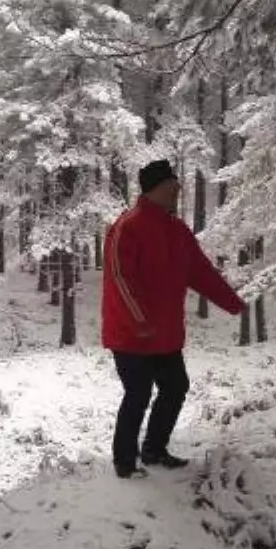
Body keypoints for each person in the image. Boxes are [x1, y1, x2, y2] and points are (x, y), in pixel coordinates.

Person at [101, 158, 246, 478]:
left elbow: (201, 272)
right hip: (131, 334)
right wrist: (139, 320)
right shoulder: (127, 226)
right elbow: (120, 279)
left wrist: (232, 302)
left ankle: (154, 450)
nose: (178, 190)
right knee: (138, 393)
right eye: (172, 185)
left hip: (164, 334)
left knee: (175, 387)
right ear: (155, 188)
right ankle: (124, 462)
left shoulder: (177, 230)